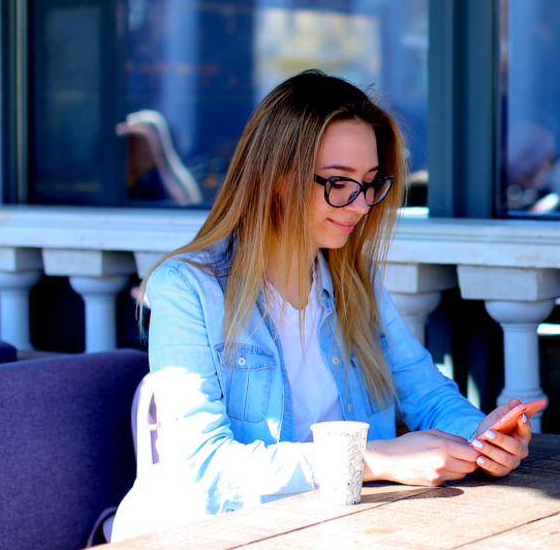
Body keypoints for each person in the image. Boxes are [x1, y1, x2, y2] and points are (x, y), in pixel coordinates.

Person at [111, 70, 531, 540]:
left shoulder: (356, 282)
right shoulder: (188, 289)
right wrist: (372, 458)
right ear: (275, 178)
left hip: (336, 529)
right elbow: (204, 471)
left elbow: (428, 396)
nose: (360, 205)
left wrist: (484, 438)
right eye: (338, 182)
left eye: (371, 183)